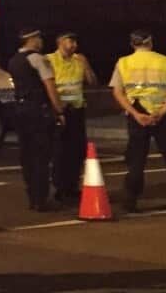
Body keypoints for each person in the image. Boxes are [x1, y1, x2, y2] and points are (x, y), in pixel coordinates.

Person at [110, 29, 166, 213]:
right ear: (150, 42)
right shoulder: (165, 61)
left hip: (137, 114)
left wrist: (135, 113)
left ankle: (130, 200)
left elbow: (117, 92)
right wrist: (161, 112)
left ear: (133, 44)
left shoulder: (123, 63)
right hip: (162, 114)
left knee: (136, 159)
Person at [7, 28, 66, 212]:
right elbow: (49, 85)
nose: (41, 40)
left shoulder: (14, 60)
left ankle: (32, 197)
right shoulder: (38, 59)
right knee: (41, 155)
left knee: (27, 156)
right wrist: (59, 110)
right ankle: (41, 198)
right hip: (38, 110)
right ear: (31, 39)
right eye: (38, 37)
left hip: (21, 110)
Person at [47, 33, 97, 205]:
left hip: (77, 110)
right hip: (60, 111)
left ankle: (72, 187)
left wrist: (86, 65)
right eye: (70, 41)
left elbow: (92, 82)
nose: (74, 44)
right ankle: (60, 189)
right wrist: (57, 109)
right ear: (60, 42)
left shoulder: (79, 60)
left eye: (76, 41)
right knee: (60, 152)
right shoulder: (50, 60)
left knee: (77, 151)